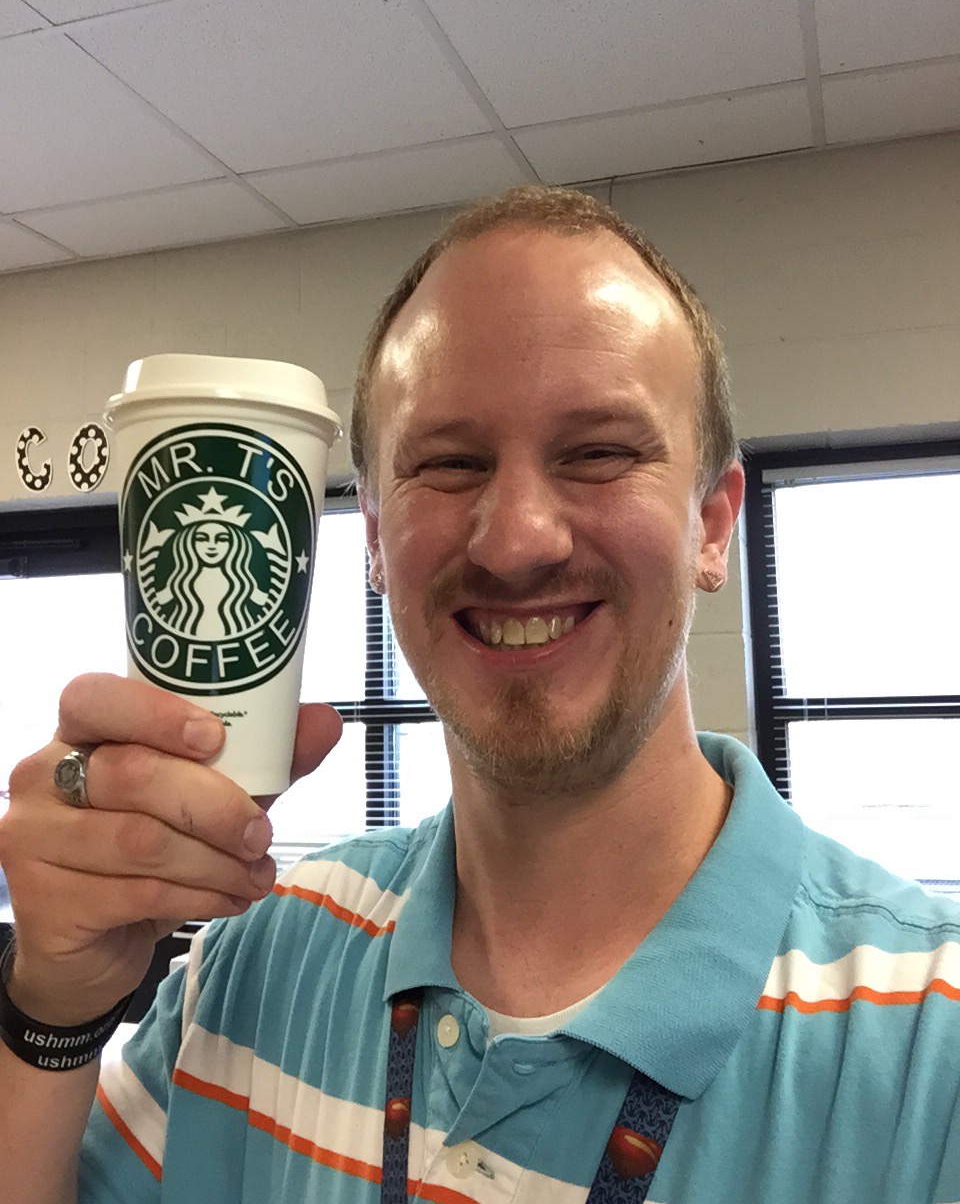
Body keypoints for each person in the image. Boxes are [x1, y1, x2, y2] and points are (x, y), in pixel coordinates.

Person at [2, 185, 960, 1204]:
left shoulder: (925, 1048)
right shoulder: (249, 964)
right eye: (451, 463)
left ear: (713, 524)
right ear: (376, 539)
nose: (515, 541)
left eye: (599, 452)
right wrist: (54, 1005)